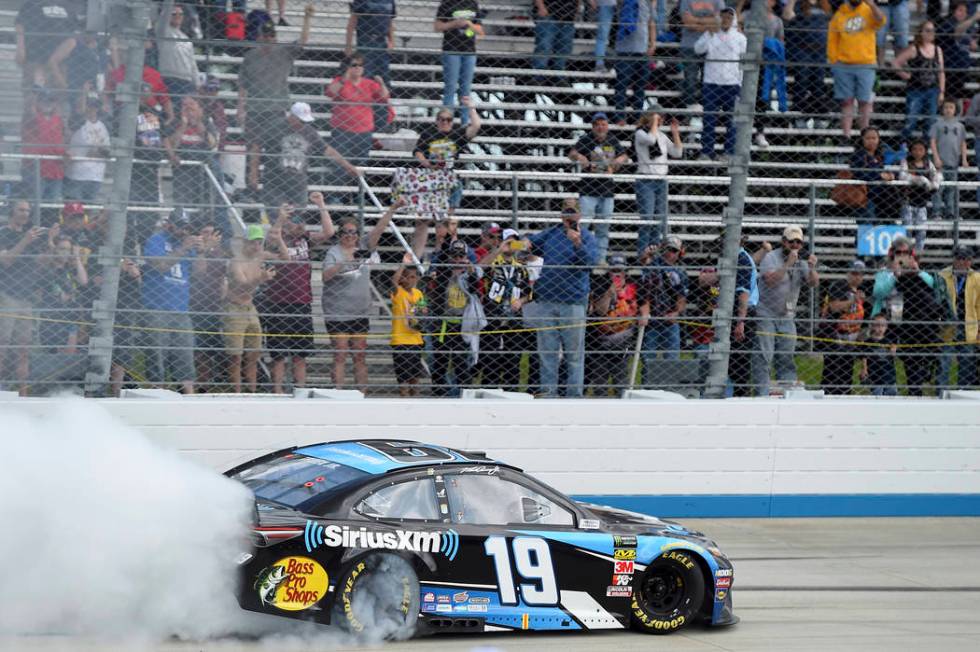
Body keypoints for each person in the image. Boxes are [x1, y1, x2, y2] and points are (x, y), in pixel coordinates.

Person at [321, 199, 402, 390]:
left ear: (358, 235)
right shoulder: (334, 252)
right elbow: (325, 276)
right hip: (338, 312)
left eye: (353, 232)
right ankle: (338, 393)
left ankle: (361, 394)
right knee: (340, 354)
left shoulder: (364, 247)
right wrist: (343, 263)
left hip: (360, 311)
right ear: (340, 234)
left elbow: (378, 230)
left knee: (359, 355)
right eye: (346, 232)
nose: (350, 235)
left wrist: (392, 209)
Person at [261, 195, 335, 394]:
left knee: (300, 353)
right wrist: (280, 218)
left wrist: (321, 205)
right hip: (278, 303)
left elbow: (329, 232)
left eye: (301, 221)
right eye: (295, 221)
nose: (300, 224)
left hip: (301, 302)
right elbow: (272, 236)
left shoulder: (305, 239)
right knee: (278, 355)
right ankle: (277, 391)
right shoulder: (277, 239)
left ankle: (299, 390)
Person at [239, 4, 315, 196]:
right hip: (255, 108)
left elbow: (303, 42)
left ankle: (273, 183)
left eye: (271, 36)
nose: (268, 39)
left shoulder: (284, 52)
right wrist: (241, 108)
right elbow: (243, 84)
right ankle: (253, 185)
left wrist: (307, 19)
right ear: (259, 37)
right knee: (254, 147)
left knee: (275, 147)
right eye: (265, 36)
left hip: (276, 108)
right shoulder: (250, 56)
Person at [526, 199, 599, 397]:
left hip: (573, 302)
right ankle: (549, 393)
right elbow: (531, 244)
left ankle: (574, 395)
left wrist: (577, 243)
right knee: (547, 353)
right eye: (566, 211)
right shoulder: (551, 233)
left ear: (579, 215)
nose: (569, 216)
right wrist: (524, 242)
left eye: (572, 212)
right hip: (547, 300)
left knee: (574, 354)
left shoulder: (587, 237)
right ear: (561, 214)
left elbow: (590, 263)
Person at [870, 236, 941, 395]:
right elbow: (878, 293)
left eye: (906, 252)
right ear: (892, 254)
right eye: (898, 252)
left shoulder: (917, 272)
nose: (902, 255)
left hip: (909, 324)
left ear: (911, 254)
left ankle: (915, 390)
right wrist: (895, 275)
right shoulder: (884, 273)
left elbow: (934, 287)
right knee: (883, 365)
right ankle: (883, 393)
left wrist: (918, 271)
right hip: (887, 322)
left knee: (913, 363)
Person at [753, 225, 819, 396]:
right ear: (783, 242)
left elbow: (813, 283)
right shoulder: (771, 257)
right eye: (791, 242)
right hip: (766, 313)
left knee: (786, 356)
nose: (795, 245)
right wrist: (789, 263)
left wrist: (811, 268)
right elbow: (770, 281)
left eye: (798, 242)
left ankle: (788, 392)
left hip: (787, 316)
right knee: (764, 355)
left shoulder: (801, 261)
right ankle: (762, 392)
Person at [141, 208, 200, 394]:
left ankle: (188, 398)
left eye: (186, 227)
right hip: (156, 308)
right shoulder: (156, 240)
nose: (184, 230)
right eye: (180, 226)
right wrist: (183, 248)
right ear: (169, 224)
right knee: (157, 357)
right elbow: (159, 266)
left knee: (185, 357)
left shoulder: (187, 244)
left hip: (181, 309)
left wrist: (202, 252)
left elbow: (199, 273)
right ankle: (157, 394)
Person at [261, 102, 359, 211]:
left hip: (298, 181)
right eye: (301, 120)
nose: (303, 124)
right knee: (277, 214)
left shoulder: (309, 131)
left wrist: (348, 166)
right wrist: (254, 174)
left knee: (298, 217)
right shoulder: (275, 127)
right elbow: (257, 146)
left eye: (305, 121)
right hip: (274, 180)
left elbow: (327, 150)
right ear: (292, 116)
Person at [225, 224, 281, 393]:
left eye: (259, 242)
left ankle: (252, 391)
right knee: (236, 356)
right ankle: (237, 393)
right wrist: (261, 278)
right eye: (252, 242)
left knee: (253, 355)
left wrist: (278, 239)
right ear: (244, 242)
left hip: (251, 308)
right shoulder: (236, 262)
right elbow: (242, 286)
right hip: (234, 309)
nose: (256, 246)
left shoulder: (260, 256)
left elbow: (285, 257)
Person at [567, 112, 628, 264]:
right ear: (593, 126)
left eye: (603, 124)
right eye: (598, 124)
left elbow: (624, 156)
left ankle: (600, 259)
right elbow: (572, 153)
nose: (601, 127)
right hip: (588, 189)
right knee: (584, 226)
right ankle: (582, 255)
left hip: (607, 191)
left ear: (607, 126)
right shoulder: (586, 139)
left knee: (603, 228)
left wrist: (616, 163)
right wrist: (581, 157)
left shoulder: (612, 140)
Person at [325, 52, 390, 188]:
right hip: (342, 131)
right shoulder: (339, 81)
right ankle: (337, 196)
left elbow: (384, 97)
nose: (358, 68)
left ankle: (356, 196)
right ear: (348, 66)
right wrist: (344, 79)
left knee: (360, 165)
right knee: (339, 166)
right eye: (354, 65)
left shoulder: (369, 83)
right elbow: (330, 92)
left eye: (361, 65)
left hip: (364, 131)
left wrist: (381, 83)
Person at [427, 239, 485, 396]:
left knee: (461, 364)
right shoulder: (442, 272)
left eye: (461, 256)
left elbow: (475, 289)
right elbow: (440, 259)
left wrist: (470, 271)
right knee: (440, 362)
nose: (458, 259)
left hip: (462, 325)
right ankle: (439, 393)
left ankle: (463, 394)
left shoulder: (469, 274)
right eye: (454, 255)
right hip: (444, 325)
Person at [479, 228, 534, 390]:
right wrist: (499, 249)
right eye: (508, 241)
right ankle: (488, 392)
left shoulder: (521, 268)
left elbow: (530, 293)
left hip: (513, 320)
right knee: (490, 362)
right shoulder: (493, 261)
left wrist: (521, 301)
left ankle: (511, 393)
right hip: (492, 317)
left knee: (513, 362)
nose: (511, 245)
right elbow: (479, 269)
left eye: (514, 241)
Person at [0, 200, 44, 394]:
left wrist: (49, 241)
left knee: (23, 348)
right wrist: (25, 240)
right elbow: (6, 260)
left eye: (28, 210)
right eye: (21, 210)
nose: (25, 214)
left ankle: (23, 393)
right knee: (2, 344)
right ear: (11, 211)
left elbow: (40, 265)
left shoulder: (31, 235)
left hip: (26, 297)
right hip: (7, 294)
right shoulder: (4, 233)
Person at [414, 97, 482, 219]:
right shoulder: (428, 134)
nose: (445, 122)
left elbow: (476, 125)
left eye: (448, 120)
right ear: (437, 121)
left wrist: (471, 107)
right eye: (442, 119)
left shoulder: (456, 134)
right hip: (432, 173)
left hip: (451, 174)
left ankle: (447, 220)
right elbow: (418, 152)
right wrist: (428, 164)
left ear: (452, 121)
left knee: (455, 189)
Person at [827, 0, 885, 138]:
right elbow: (832, 38)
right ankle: (846, 136)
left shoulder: (868, 10)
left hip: (866, 63)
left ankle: (864, 136)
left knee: (864, 102)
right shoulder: (840, 14)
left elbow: (881, 20)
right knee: (846, 102)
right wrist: (835, 61)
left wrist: (872, 4)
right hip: (843, 65)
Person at [695, 7, 746, 163]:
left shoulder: (740, 38)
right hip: (711, 82)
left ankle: (728, 152)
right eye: (723, 17)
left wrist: (741, 80)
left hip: (732, 84)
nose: (725, 20)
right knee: (709, 119)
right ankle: (707, 152)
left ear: (733, 20)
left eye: (729, 18)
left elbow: (745, 58)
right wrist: (710, 33)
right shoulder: (711, 34)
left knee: (732, 121)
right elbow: (698, 49)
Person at [637, 235, 689, 385]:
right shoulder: (653, 265)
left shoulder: (681, 272)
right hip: (652, 321)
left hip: (670, 321)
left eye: (674, 250)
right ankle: (648, 388)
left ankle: (669, 389)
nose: (670, 253)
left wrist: (677, 313)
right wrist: (647, 254)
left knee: (672, 360)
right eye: (667, 249)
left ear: (680, 253)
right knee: (648, 360)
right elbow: (644, 289)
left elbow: (682, 297)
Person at [587, 254, 639, 394]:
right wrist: (609, 293)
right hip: (600, 341)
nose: (617, 274)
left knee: (621, 380)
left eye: (620, 271)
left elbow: (639, 309)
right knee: (600, 382)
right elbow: (599, 312)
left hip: (623, 340)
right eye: (613, 270)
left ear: (625, 272)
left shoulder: (633, 288)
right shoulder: (599, 287)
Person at [634, 111, 683, 257]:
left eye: (661, 117)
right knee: (647, 219)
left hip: (661, 180)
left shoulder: (661, 135)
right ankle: (642, 253)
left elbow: (677, 152)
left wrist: (675, 133)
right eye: (657, 116)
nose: (660, 119)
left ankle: (654, 254)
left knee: (659, 220)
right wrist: (653, 121)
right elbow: (650, 140)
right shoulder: (640, 133)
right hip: (646, 180)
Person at [188, 221, 227, 391]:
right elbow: (199, 272)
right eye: (204, 232)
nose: (208, 236)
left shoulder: (220, 253)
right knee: (196, 350)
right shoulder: (194, 251)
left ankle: (205, 385)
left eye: (211, 233)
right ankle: (193, 384)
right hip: (194, 304)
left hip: (213, 305)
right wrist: (203, 251)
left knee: (209, 350)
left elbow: (223, 279)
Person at [818, 259, 867, 394]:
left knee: (846, 379)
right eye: (855, 273)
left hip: (850, 341)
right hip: (834, 339)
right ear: (848, 273)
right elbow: (834, 307)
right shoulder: (839, 286)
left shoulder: (860, 292)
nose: (858, 277)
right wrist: (853, 300)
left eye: (861, 274)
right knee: (831, 376)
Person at [346, 0, 396, 129]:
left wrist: (391, 40)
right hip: (366, 41)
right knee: (365, 82)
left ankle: (381, 122)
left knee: (383, 82)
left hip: (381, 43)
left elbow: (390, 21)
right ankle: (362, 120)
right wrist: (348, 45)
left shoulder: (390, 1)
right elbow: (352, 21)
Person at [892, 21, 945, 144]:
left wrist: (942, 91)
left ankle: (925, 150)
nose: (931, 33)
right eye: (927, 30)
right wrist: (906, 76)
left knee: (930, 122)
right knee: (911, 121)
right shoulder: (914, 49)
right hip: (916, 90)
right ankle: (903, 147)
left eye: (932, 30)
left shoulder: (938, 50)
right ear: (920, 32)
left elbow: (941, 72)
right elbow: (895, 63)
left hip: (933, 90)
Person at [165, 96, 218, 210]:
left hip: (203, 164)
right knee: (182, 202)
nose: (188, 107)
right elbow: (172, 145)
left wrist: (198, 123)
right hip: (182, 166)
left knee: (205, 201)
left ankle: (205, 222)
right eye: (185, 105)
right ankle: (183, 222)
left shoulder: (206, 122)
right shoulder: (176, 122)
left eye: (192, 104)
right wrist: (183, 126)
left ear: (200, 109)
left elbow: (212, 143)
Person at [937, 245, 979, 389]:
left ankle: (963, 393)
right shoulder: (942, 275)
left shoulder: (977, 278)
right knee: (944, 362)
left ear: (971, 261)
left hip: (969, 326)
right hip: (947, 326)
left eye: (966, 259)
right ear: (953, 260)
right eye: (959, 258)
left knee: (967, 365)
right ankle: (941, 393)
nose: (962, 262)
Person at [435, 0, 483, 126]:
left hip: (469, 51)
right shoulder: (447, 4)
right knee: (450, 87)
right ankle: (446, 123)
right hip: (451, 50)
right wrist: (454, 23)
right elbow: (438, 26)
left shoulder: (473, 4)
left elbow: (480, 30)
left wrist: (468, 24)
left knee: (465, 90)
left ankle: (464, 125)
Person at [783, 0, 830, 127]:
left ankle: (819, 116)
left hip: (820, 51)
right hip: (802, 50)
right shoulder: (799, 5)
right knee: (802, 81)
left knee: (819, 83)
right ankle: (799, 115)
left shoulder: (824, 4)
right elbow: (787, 15)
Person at [37, 234, 87, 353]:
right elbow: (60, 295)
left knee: (68, 355)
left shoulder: (68, 269)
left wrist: (77, 258)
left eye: (68, 250)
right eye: (62, 249)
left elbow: (83, 281)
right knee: (55, 355)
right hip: (52, 319)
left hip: (69, 317)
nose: (66, 253)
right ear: (55, 250)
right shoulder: (48, 268)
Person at [14, 0, 76, 91]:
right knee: (32, 88)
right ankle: (32, 104)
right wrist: (20, 48)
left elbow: (73, 31)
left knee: (57, 88)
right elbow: (20, 24)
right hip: (35, 52)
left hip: (60, 56)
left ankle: (55, 104)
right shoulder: (32, 4)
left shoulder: (68, 5)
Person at [680, 0, 725, 123]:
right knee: (690, 79)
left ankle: (709, 109)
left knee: (710, 79)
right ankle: (690, 110)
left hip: (711, 46)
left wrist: (696, 20)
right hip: (689, 45)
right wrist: (709, 23)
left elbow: (720, 22)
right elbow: (687, 22)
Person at [612, 0, 655, 125]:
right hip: (625, 51)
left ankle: (637, 117)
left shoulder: (647, 3)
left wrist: (653, 43)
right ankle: (620, 116)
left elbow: (651, 23)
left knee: (640, 87)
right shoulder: (625, 2)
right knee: (622, 85)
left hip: (642, 51)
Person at [390, 253, 427, 396]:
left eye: (414, 276)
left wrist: (422, 312)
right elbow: (393, 281)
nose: (411, 279)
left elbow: (423, 310)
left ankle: (414, 398)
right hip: (401, 340)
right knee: (403, 376)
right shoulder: (398, 292)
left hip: (416, 339)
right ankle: (404, 397)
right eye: (407, 276)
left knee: (415, 375)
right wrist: (403, 264)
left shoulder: (418, 293)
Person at [22, 89, 66, 204]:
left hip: (55, 168)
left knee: (52, 204)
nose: (47, 103)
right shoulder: (33, 117)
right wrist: (34, 97)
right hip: (37, 167)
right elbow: (29, 109)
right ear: (38, 102)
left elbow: (60, 140)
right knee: (35, 204)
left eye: (51, 101)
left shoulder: (57, 119)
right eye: (44, 101)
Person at [64, 95, 110, 203]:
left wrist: (97, 152)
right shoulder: (78, 122)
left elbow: (107, 151)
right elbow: (77, 116)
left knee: (88, 210)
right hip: (77, 174)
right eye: (89, 105)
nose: (92, 109)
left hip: (95, 175)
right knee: (74, 209)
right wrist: (83, 94)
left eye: (95, 106)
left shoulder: (103, 126)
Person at [898, 139, 941, 254]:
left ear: (925, 151)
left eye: (921, 149)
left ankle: (917, 254)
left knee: (921, 231)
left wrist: (934, 183)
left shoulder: (928, 163)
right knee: (907, 229)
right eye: (915, 149)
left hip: (922, 203)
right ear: (911, 151)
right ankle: (905, 253)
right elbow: (902, 176)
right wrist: (919, 179)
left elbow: (936, 175)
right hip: (908, 202)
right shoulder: (906, 162)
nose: (917, 152)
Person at [929, 99, 969, 220]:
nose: (948, 110)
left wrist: (964, 159)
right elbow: (933, 142)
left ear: (955, 110)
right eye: (946, 107)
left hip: (954, 163)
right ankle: (937, 213)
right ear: (942, 109)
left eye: (951, 107)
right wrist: (936, 157)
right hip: (940, 163)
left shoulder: (960, 126)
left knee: (952, 190)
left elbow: (963, 143)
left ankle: (950, 213)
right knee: (938, 189)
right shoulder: (937, 125)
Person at [935, 2, 980, 107]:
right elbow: (957, 32)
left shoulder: (968, 26)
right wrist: (974, 17)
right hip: (950, 69)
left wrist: (972, 42)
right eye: (960, 10)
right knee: (947, 101)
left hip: (962, 69)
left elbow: (969, 42)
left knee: (957, 100)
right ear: (953, 11)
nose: (963, 13)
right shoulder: (948, 23)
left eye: (965, 11)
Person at [850, 126, 896, 224]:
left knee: (878, 227)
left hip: (880, 197)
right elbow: (859, 174)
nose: (871, 141)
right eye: (868, 138)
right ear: (862, 140)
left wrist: (890, 175)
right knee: (866, 227)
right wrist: (880, 176)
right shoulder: (858, 155)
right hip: (864, 196)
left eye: (874, 138)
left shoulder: (879, 156)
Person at [155, 0, 200, 100]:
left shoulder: (186, 39)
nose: (178, 16)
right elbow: (164, 15)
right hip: (169, 78)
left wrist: (197, 83)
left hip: (186, 81)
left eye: (181, 14)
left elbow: (192, 64)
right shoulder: (163, 31)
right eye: (174, 13)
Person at [533, 0, 581, 73]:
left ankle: (559, 74)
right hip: (549, 14)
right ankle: (539, 75)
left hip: (569, 17)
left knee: (564, 48)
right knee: (544, 46)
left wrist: (576, 11)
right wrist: (541, 7)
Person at [859, 313, 898, 395]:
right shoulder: (868, 342)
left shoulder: (889, 342)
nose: (880, 328)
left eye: (883, 325)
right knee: (877, 394)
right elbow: (864, 357)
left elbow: (893, 358)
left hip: (889, 374)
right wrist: (864, 369)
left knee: (892, 393)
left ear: (886, 327)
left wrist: (893, 351)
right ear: (872, 326)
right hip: (875, 374)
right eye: (877, 325)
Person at [875, 0, 910, 66]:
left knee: (902, 37)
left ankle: (899, 67)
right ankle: (881, 67)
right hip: (881, 3)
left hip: (900, 2)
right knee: (880, 36)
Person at [592, 0, 618, 72]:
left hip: (618, 5)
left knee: (604, 37)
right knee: (602, 37)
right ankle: (599, 64)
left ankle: (601, 63)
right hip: (606, 4)